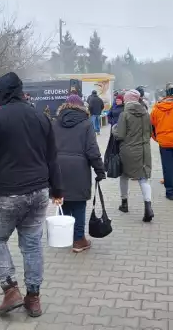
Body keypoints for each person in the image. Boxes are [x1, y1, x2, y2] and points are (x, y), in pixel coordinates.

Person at [0, 72, 63, 318]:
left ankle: (10, 290)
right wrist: (58, 189)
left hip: (7, 194)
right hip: (39, 192)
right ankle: (33, 298)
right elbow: (53, 157)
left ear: (3, 95)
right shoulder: (41, 118)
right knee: (32, 244)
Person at [53, 94, 106, 252]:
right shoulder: (86, 123)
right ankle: (78, 240)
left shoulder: (55, 123)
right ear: (82, 106)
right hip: (79, 168)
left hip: (58, 168)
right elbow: (92, 149)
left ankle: (65, 236)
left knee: (63, 201)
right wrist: (99, 169)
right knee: (79, 204)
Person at [114, 89, 153, 221]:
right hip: (144, 150)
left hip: (128, 150)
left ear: (127, 100)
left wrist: (114, 129)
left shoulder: (124, 114)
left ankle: (124, 203)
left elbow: (120, 135)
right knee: (143, 179)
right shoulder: (146, 113)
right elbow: (150, 132)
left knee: (124, 176)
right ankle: (148, 207)